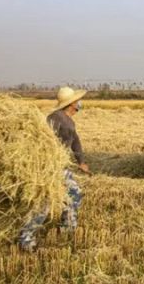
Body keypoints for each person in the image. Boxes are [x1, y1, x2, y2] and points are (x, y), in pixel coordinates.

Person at [18, 86, 90, 251]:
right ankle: (26, 239)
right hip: (51, 168)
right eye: (78, 100)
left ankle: (67, 230)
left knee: (74, 194)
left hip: (61, 169)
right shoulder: (55, 118)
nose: (80, 102)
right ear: (72, 103)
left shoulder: (69, 121)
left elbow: (75, 141)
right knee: (45, 204)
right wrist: (46, 163)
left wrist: (81, 162)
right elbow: (45, 141)